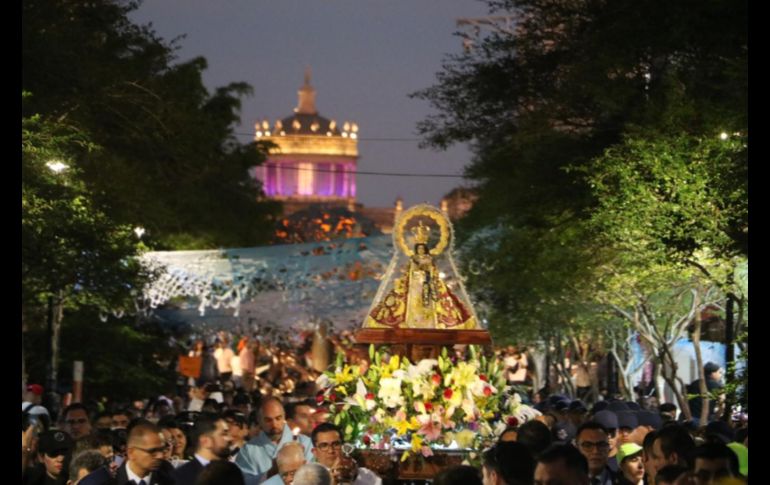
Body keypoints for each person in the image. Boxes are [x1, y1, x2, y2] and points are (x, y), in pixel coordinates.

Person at [235, 397, 313, 483]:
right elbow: (243, 481)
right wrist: (270, 473)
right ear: (259, 420)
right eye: (268, 420)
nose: (274, 424)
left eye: (278, 418)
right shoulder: (248, 450)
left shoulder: (306, 443)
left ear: (284, 417)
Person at [311, 423, 381, 485]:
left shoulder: (364, 475)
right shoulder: (307, 478)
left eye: (336, 444)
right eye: (324, 445)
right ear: (315, 452)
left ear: (344, 447)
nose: (331, 450)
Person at [173, 414, 232, 485]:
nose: (230, 438)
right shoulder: (181, 477)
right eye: (223, 434)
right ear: (205, 441)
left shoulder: (232, 473)